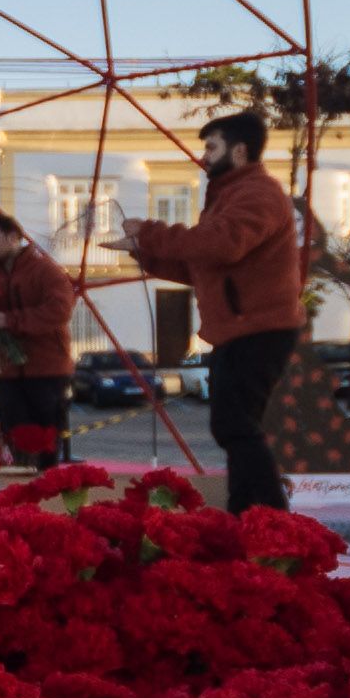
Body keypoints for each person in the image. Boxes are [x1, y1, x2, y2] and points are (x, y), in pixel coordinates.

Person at [105, 109, 302, 512]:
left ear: (240, 150)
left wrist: (150, 233)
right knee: (235, 426)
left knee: (234, 425)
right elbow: (203, 264)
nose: (204, 156)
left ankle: (269, 517)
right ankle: (250, 513)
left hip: (257, 329)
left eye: (211, 147)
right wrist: (146, 252)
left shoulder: (257, 194)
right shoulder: (233, 196)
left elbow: (221, 244)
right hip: (242, 329)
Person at [0, 213, 78, 465]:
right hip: (8, 373)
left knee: (46, 443)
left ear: (14, 237)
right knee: (15, 439)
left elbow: (60, 310)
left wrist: (9, 320)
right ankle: (20, 489)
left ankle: (44, 488)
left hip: (46, 371)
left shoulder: (44, 270)